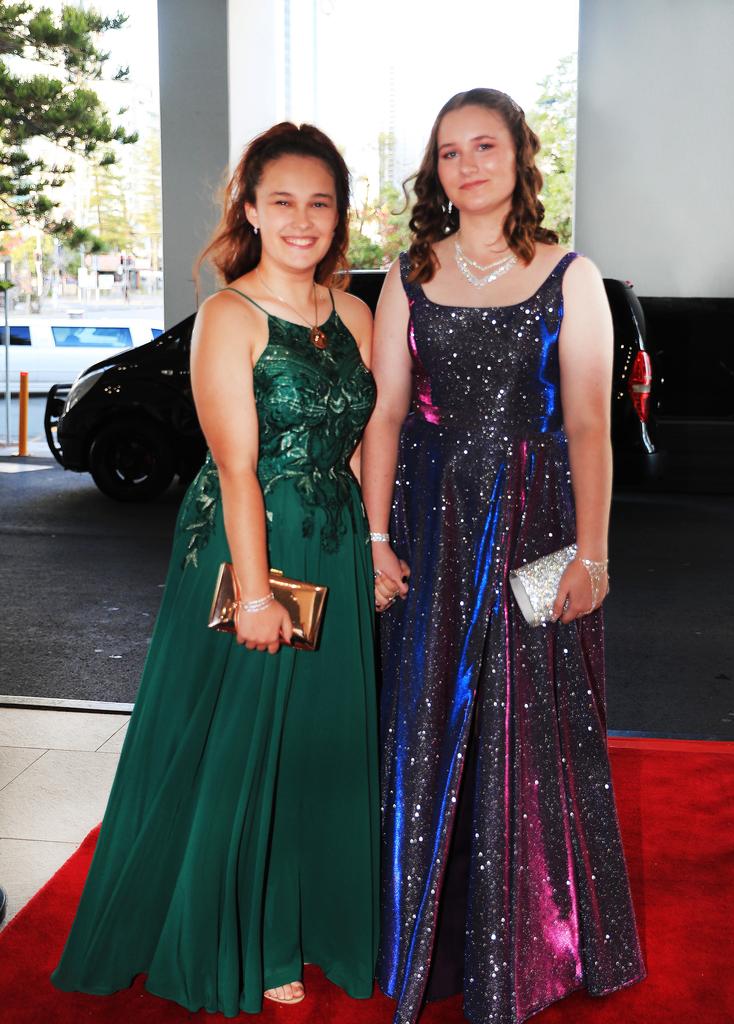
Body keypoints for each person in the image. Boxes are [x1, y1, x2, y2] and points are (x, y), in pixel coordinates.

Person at [51, 122, 379, 1015]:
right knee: (248, 743)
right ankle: (256, 933)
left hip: (335, 545)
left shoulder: (355, 315)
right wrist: (259, 593)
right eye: (283, 202)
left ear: (339, 213)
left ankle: (320, 920)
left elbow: (351, 446)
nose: (302, 220)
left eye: (320, 203)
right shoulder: (229, 317)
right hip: (249, 545)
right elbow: (236, 469)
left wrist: (377, 546)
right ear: (251, 208)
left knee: (319, 739)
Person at [362, 88, 646, 1024]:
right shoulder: (408, 272)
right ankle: (433, 940)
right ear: (434, 170)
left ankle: (537, 940)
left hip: (535, 520)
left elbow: (591, 428)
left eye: (485, 146)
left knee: (534, 721)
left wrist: (592, 557)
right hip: (434, 520)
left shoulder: (571, 272)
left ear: (522, 155)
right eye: (449, 151)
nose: (467, 164)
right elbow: (389, 416)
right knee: (431, 712)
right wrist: (373, 539)